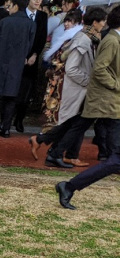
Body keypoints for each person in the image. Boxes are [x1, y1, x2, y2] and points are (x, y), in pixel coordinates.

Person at [55, 5, 120, 210]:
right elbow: (99, 69)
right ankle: (68, 184)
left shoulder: (111, 39)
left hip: (109, 103)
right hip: (108, 102)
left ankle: (68, 183)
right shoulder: (110, 40)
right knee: (115, 159)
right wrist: (116, 85)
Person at [31, 6, 107, 168]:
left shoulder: (87, 38)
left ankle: (45, 143)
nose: (104, 24)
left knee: (74, 122)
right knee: (76, 122)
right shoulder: (84, 39)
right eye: (102, 21)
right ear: (95, 22)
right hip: (77, 88)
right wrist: (88, 81)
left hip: (79, 88)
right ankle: (54, 151)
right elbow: (71, 68)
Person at [0, 0, 34, 137]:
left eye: (9, 5)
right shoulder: (30, 24)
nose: (8, 8)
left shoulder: (4, 22)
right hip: (16, 65)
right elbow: (29, 46)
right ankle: (5, 129)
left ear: (15, 5)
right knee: (10, 98)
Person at [13, 0, 47, 133]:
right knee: (14, 89)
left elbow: (42, 38)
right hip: (17, 59)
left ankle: (19, 120)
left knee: (26, 92)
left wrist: (35, 54)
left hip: (32, 60)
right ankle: (9, 118)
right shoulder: (19, 14)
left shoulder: (43, 16)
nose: (37, 1)